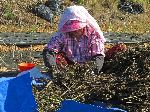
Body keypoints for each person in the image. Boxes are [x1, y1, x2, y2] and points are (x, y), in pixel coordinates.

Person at [43, 5, 106, 75]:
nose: (75, 30)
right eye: (72, 28)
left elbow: (98, 56)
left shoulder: (93, 35)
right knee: (57, 58)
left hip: (88, 66)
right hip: (68, 68)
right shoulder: (64, 34)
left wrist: (91, 71)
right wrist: (53, 68)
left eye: (78, 27)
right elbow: (50, 50)